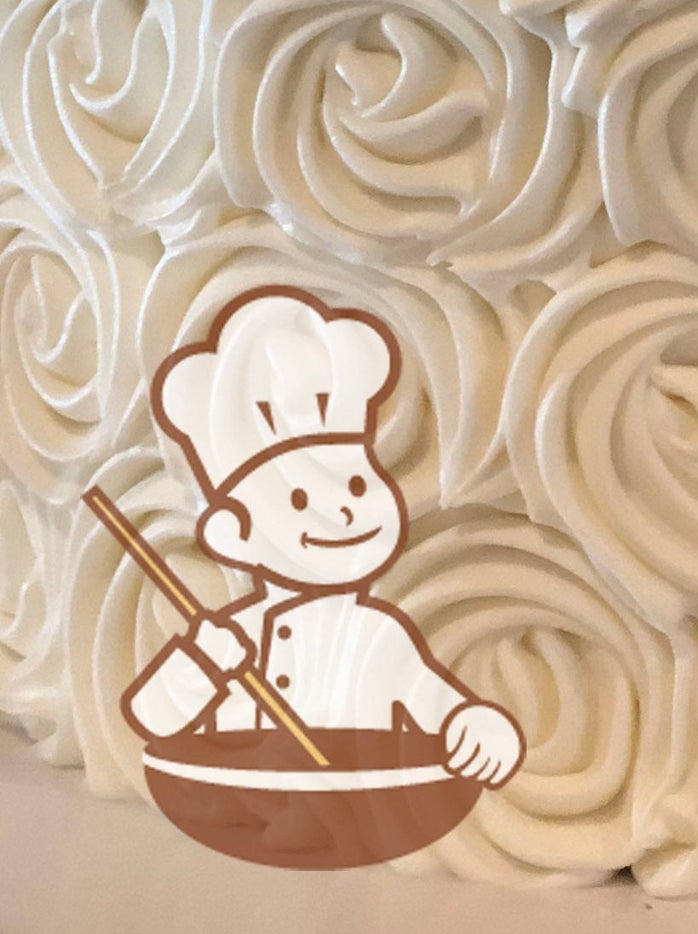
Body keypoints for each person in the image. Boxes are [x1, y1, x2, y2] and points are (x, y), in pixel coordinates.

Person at [122, 284, 523, 786]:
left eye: (356, 485)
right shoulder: (232, 638)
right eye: (297, 498)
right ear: (233, 534)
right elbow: (155, 717)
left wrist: (478, 726)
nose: (343, 512)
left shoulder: (380, 635)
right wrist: (200, 663)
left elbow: (439, 705)